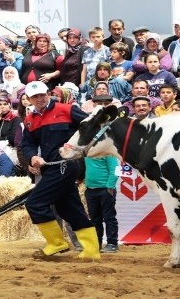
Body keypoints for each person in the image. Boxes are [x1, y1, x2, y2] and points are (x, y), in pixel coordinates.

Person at [20, 81, 100, 259]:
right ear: (28, 99)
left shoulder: (67, 109)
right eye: (35, 97)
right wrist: (33, 157)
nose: (40, 99)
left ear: (48, 94)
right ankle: (92, 250)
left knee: (35, 203)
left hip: (66, 165)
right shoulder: (30, 120)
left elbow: (92, 125)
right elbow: (27, 143)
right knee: (69, 207)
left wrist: (84, 148)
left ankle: (57, 244)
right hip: (50, 167)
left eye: (42, 95)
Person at [84, 155, 120, 253]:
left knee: (109, 217)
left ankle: (112, 244)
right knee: (94, 219)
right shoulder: (87, 153)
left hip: (105, 190)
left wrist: (110, 187)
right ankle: (96, 244)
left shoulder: (108, 153)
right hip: (90, 190)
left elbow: (115, 169)